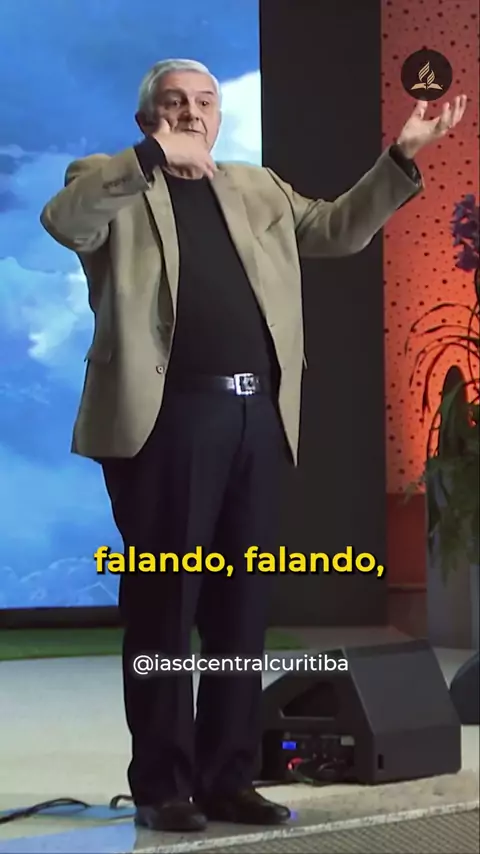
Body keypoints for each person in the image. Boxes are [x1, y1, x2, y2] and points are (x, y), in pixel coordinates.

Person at [40, 58, 467, 833]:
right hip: (166, 423)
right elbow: (68, 221)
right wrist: (148, 160)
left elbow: (337, 229)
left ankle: (227, 778)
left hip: (255, 419)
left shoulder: (255, 186)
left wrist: (402, 155)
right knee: (166, 608)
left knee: (240, 612)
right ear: (146, 119)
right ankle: (164, 786)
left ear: (219, 115)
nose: (190, 112)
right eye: (174, 102)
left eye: (204, 101)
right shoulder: (110, 178)